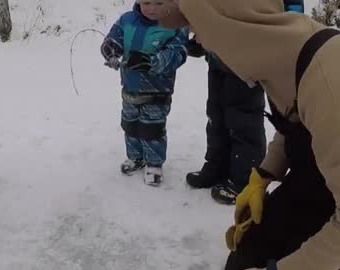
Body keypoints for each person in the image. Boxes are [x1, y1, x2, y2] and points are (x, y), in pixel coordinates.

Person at [155, 0, 340, 269]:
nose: (200, 42)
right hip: (319, 179)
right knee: (251, 250)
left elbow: (323, 109)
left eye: (199, 28)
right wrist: (263, 176)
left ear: (231, 27)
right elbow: (299, 121)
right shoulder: (286, 52)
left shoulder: (328, 83)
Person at [100, 0, 188, 186]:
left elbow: (177, 53)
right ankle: (135, 157)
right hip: (130, 86)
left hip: (158, 90)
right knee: (130, 125)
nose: (152, 8)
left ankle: (154, 164)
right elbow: (114, 38)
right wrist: (110, 49)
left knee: (152, 128)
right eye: (146, 2)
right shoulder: (127, 20)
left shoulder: (175, 24)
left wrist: (152, 62)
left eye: (158, 2)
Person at [185, 36, 266, 205]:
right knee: (216, 119)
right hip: (218, 60)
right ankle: (218, 166)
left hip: (247, 64)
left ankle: (243, 179)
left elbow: (288, 14)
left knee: (244, 123)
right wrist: (203, 37)